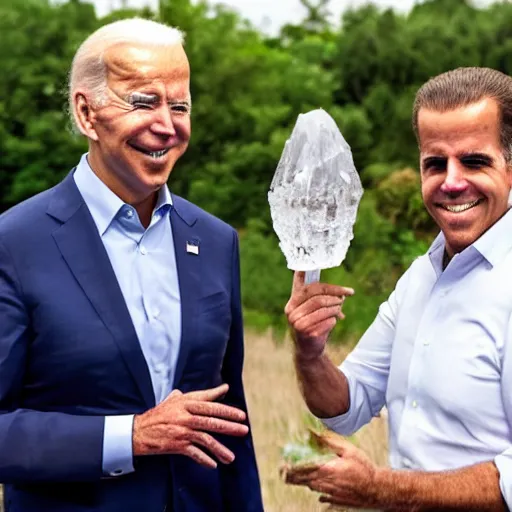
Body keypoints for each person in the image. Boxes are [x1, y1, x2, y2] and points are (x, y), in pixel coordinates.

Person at [0, 18, 263, 512]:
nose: (166, 124)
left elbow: (230, 424)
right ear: (86, 113)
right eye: (143, 101)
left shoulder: (214, 239)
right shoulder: (13, 244)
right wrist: (133, 435)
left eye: (180, 105)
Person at [284, 67, 512, 511]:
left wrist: (382, 489)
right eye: (434, 163)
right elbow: (346, 405)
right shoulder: (422, 276)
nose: (451, 182)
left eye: (474, 161)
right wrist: (309, 351)